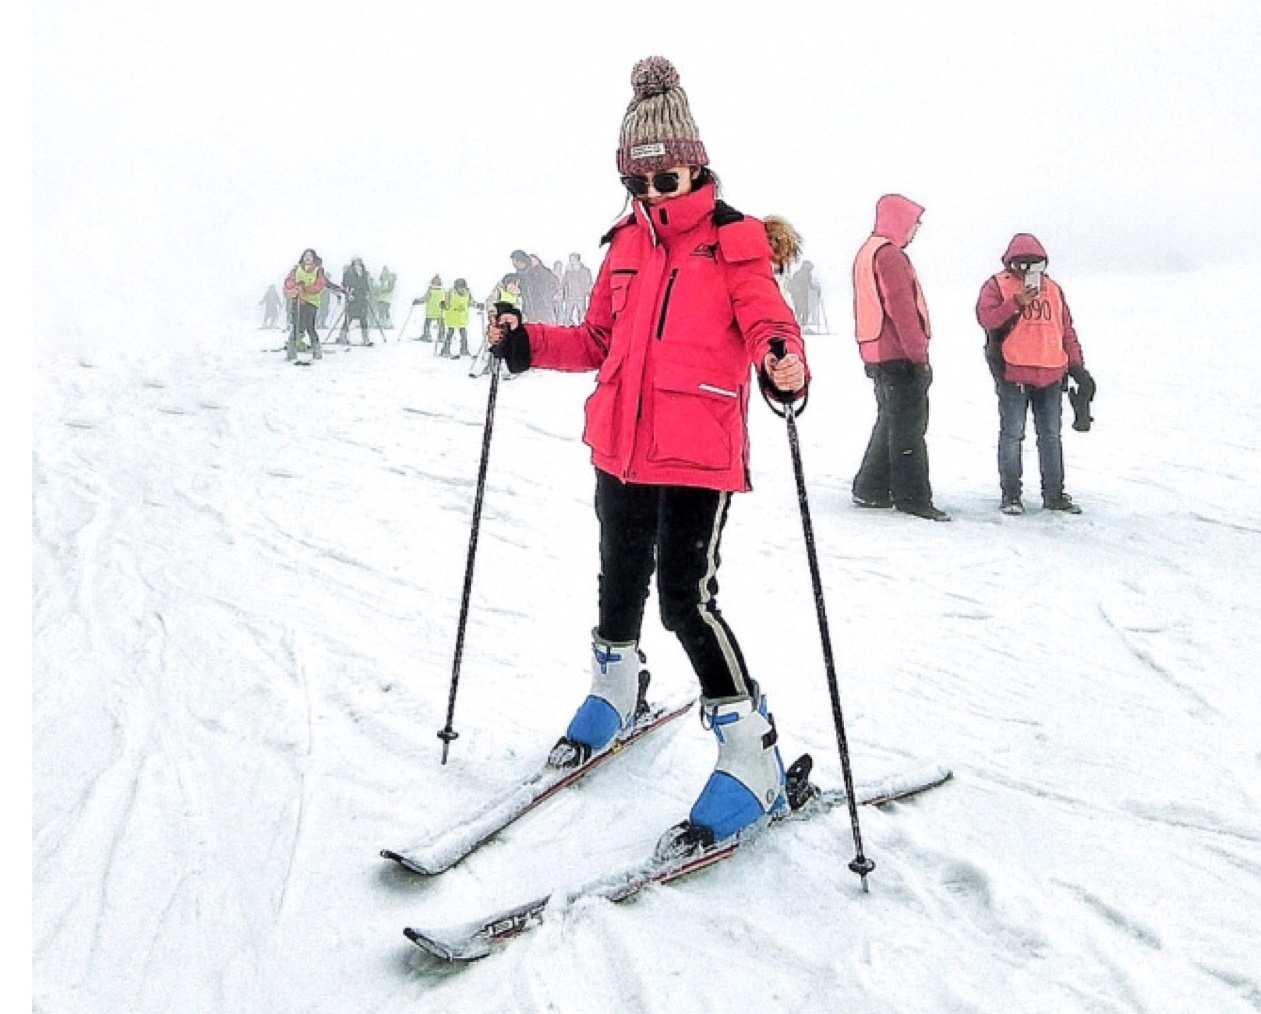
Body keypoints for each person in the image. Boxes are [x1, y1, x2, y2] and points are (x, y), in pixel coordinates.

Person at [486, 55, 808, 857]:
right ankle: (615, 689)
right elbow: (597, 339)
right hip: (620, 445)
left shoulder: (734, 241)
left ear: (695, 163)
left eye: (666, 179)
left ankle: (750, 755)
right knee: (617, 574)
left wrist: (781, 362)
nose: (653, 194)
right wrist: (525, 343)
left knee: (683, 600)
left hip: (695, 450)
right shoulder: (624, 244)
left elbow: (772, 323)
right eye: (639, 182)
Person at [976, 233, 1093, 514]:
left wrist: (1077, 367)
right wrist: (1016, 303)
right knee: (1013, 434)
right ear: (1010, 263)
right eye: (1022, 264)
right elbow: (987, 319)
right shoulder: (997, 286)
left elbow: (1066, 330)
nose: (1029, 271)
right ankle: (1011, 495)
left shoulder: (1053, 289)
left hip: (1052, 373)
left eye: (1036, 265)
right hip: (1013, 373)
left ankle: (1054, 495)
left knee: (1050, 436)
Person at [850, 194, 950, 521]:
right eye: (914, 222)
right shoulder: (890, 255)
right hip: (898, 354)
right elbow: (902, 311)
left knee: (891, 421)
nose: (916, 229)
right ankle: (913, 497)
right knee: (909, 427)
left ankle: (871, 487)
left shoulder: (868, 251)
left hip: (876, 351)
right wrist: (919, 357)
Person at [283, 248, 331, 361]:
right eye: (305, 256)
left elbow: (319, 285)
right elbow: (288, 282)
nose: (307, 258)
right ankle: (291, 353)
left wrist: (305, 288)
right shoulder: (296, 269)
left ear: (314, 258)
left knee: (310, 327)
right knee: (296, 327)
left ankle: (317, 352)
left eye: (310, 256)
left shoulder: (318, 270)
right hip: (297, 301)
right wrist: (295, 288)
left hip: (311, 303)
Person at [437, 278, 480, 357]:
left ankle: (464, 349)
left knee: (463, 334)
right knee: (450, 333)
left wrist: (477, 305)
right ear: (456, 287)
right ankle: (445, 350)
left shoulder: (468, 293)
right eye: (460, 287)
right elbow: (447, 304)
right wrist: (443, 305)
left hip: (462, 318)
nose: (461, 290)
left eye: (463, 287)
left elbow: (470, 302)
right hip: (452, 317)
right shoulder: (451, 293)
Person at [338, 257, 374, 345]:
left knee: (363, 318)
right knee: (348, 317)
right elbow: (344, 285)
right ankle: (343, 336)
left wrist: (367, 294)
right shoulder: (348, 273)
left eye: (360, 261)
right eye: (356, 261)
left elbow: (366, 284)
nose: (358, 262)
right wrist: (348, 294)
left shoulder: (364, 273)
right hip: (352, 297)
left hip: (362, 298)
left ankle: (366, 338)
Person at [559, 252, 593, 324]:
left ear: (578, 260)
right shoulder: (568, 272)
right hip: (570, 297)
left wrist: (587, 292)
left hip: (580, 296)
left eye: (573, 259)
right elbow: (563, 283)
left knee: (581, 314)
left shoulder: (585, 271)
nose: (571, 261)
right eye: (570, 260)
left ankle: (582, 330)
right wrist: (561, 291)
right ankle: (566, 329)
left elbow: (588, 282)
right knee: (567, 314)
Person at [418, 275, 445, 342]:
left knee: (427, 323)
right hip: (440, 311)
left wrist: (418, 301)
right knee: (441, 324)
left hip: (430, 311)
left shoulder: (430, 291)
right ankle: (441, 336)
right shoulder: (443, 291)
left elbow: (425, 299)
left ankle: (427, 335)